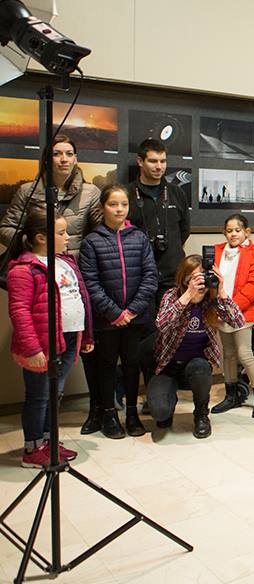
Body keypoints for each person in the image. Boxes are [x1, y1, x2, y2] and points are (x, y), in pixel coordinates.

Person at [8, 211, 94, 467]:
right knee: (39, 396)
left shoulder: (65, 262)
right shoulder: (24, 269)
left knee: (55, 393)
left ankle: (48, 442)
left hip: (69, 337)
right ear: (41, 237)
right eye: (61, 233)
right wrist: (32, 349)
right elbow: (20, 312)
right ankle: (33, 448)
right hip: (42, 344)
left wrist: (86, 333)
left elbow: (81, 296)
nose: (68, 237)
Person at [78, 185, 159, 439]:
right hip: (106, 319)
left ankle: (132, 414)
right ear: (102, 207)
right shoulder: (92, 241)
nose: (119, 209)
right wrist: (114, 313)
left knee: (132, 364)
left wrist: (132, 310)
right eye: (113, 204)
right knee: (106, 364)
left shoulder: (139, 237)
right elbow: (90, 283)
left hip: (135, 318)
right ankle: (109, 414)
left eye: (124, 204)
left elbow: (150, 276)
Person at [149, 255, 244, 439]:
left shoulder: (211, 300)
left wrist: (221, 290)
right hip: (168, 367)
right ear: (184, 280)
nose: (200, 283)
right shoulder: (172, 295)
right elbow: (161, 324)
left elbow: (238, 321)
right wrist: (188, 295)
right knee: (160, 413)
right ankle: (169, 403)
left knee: (200, 366)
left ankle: (201, 414)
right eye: (194, 278)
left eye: (203, 277)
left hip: (196, 368)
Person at [209, 214, 254, 418]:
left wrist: (232, 308)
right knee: (228, 353)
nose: (233, 234)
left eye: (237, 230)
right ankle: (231, 395)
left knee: (245, 354)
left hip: (242, 312)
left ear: (247, 232)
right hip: (221, 312)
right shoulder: (216, 251)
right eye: (229, 230)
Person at [0, 134, 101, 256]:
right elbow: (6, 228)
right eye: (56, 154)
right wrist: (32, 244)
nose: (64, 159)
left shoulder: (90, 192)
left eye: (69, 154)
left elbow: (102, 231)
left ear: (75, 159)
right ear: (46, 160)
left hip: (73, 264)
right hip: (37, 263)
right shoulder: (27, 191)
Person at [127, 138, 191, 313]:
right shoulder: (127, 194)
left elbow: (184, 230)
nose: (159, 167)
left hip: (172, 274)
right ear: (140, 161)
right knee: (144, 327)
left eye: (163, 161)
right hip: (139, 276)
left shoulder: (177, 193)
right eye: (153, 161)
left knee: (171, 325)